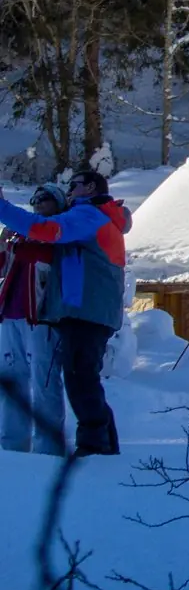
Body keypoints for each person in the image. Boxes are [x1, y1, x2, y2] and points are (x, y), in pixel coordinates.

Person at [0, 168, 130, 456]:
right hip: (69, 311)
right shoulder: (86, 217)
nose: (70, 189)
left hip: (79, 311)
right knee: (77, 377)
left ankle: (91, 446)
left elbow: (46, 232)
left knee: (77, 377)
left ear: (92, 188)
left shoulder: (88, 216)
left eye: (75, 184)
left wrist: (4, 209)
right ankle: (98, 444)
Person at [0, 184, 69, 454]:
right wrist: (5, 244)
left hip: (42, 318)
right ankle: (12, 445)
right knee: (12, 383)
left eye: (46, 198)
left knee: (45, 382)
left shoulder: (61, 229)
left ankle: (48, 448)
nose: (38, 203)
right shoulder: (20, 232)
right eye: (35, 199)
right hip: (11, 314)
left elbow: (44, 254)